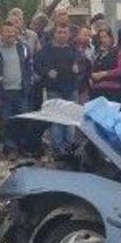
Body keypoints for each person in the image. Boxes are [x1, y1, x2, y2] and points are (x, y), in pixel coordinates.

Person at [0, 22, 33, 156]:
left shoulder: (23, 48)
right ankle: (10, 148)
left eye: (13, 31)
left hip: (21, 91)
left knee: (23, 120)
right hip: (3, 93)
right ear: (1, 33)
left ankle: (23, 147)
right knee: (6, 122)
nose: (11, 34)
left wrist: (28, 84)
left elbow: (29, 67)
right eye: (7, 31)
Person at [33, 25, 81, 156]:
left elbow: (82, 62)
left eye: (65, 32)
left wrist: (78, 66)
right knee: (56, 119)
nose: (62, 35)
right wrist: (47, 72)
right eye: (59, 32)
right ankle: (58, 148)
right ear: (54, 34)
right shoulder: (46, 50)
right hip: (54, 89)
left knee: (70, 119)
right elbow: (36, 64)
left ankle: (69, 146)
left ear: (69, 35)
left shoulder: (73, 49)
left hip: (71, 88)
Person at [89, 28, 121, 103]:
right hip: (97, 90)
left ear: (110, 38)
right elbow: (91, 69)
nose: (103, 40)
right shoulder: (97, 53)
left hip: (113, 89)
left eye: (105, 37)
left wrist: (105, 74)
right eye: (101, 37)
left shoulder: (118, 52)